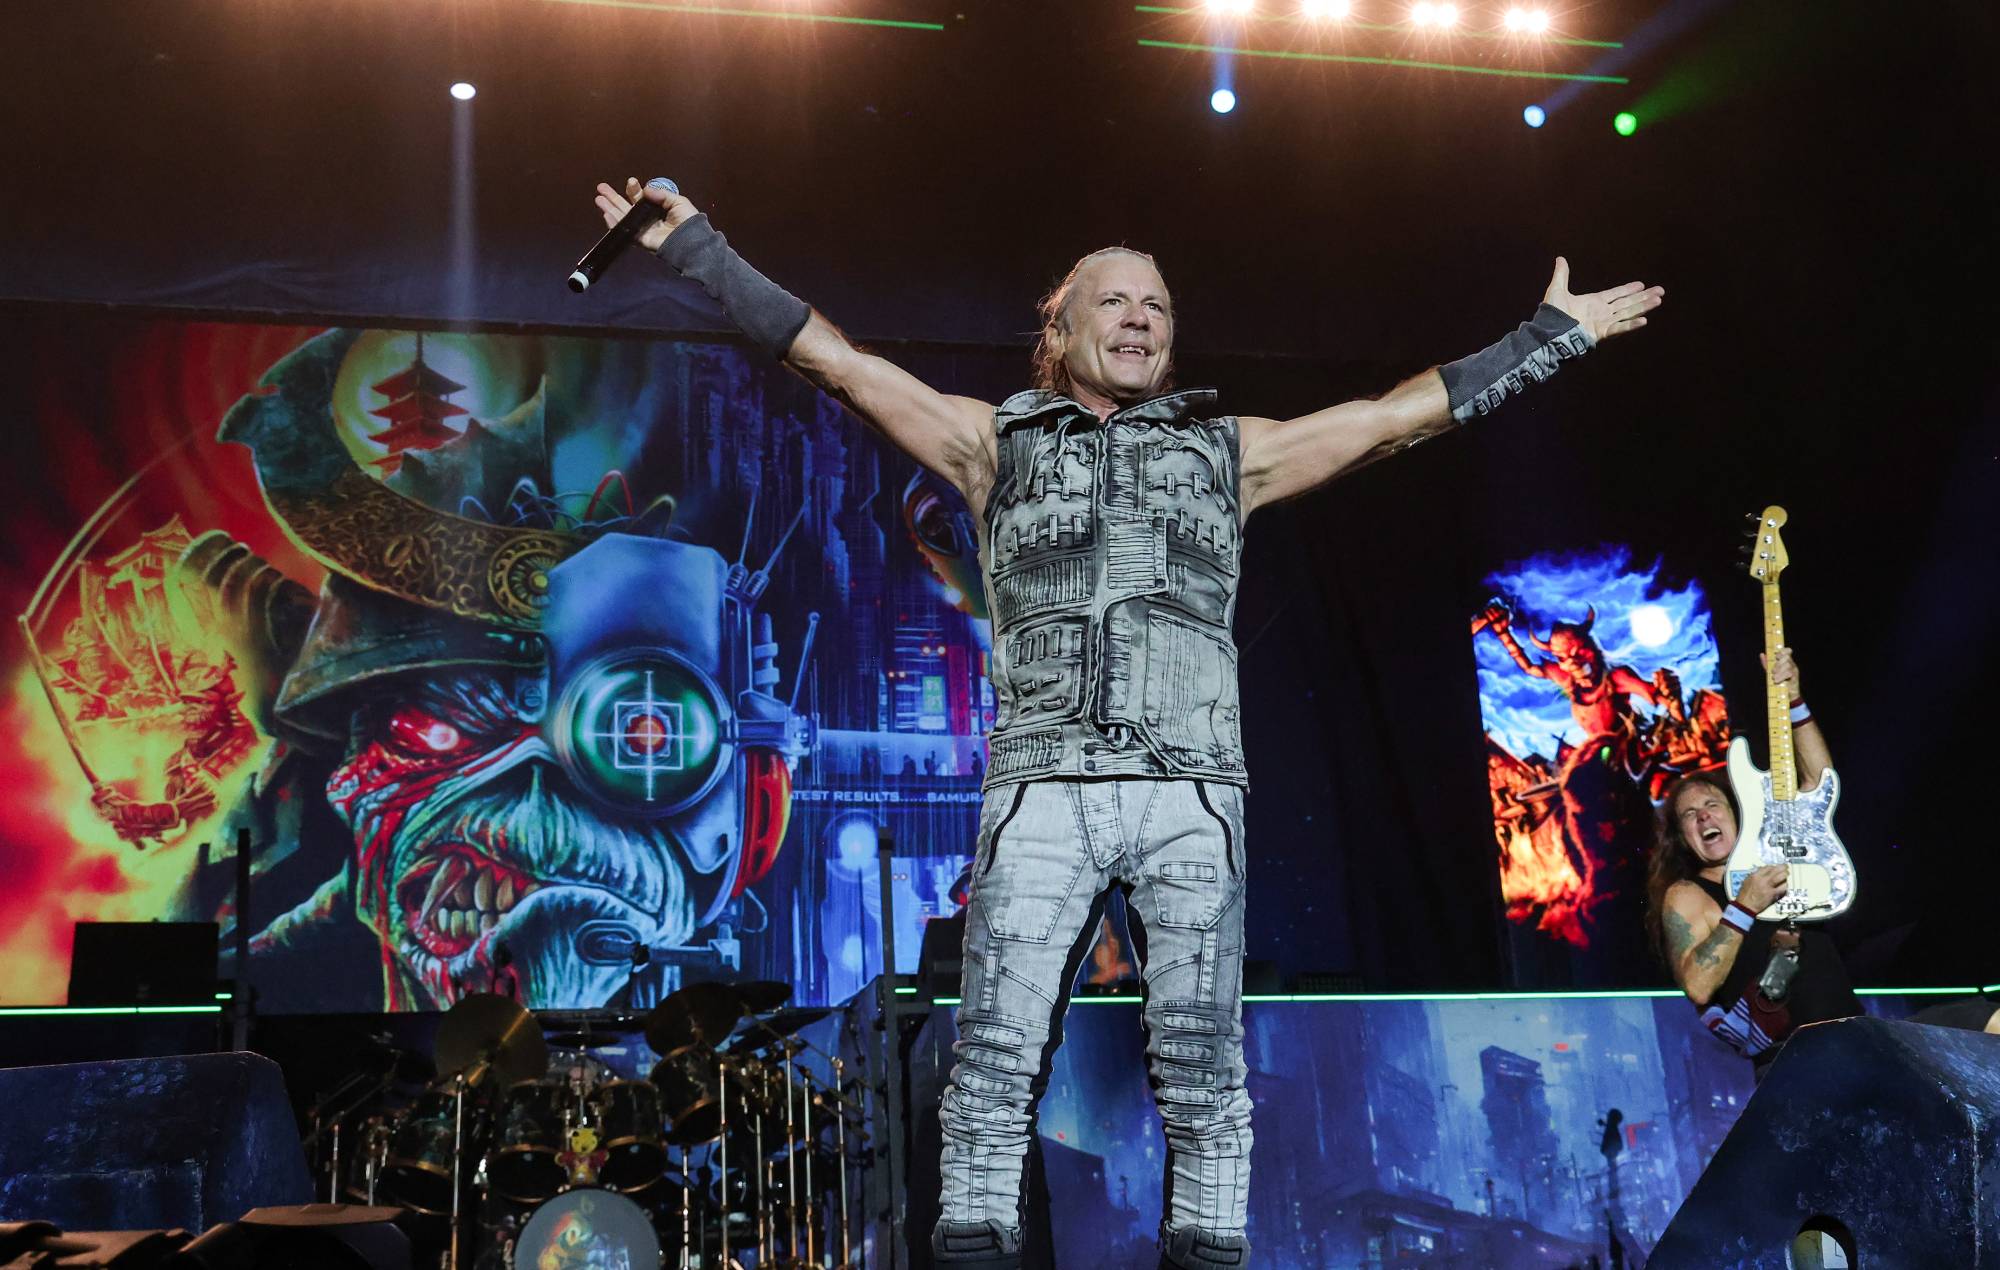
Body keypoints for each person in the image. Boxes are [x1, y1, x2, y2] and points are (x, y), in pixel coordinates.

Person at [593, 176, 1664, 1269]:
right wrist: (698, 249)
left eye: (1155, 304)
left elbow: (1393, 422)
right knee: (995, 1062)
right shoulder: (992, 443)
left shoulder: (1226, 450)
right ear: (1056, 332)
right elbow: (836, 361)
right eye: (1113, 301)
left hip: (1189, 791)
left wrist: (1547, 338)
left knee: (1202, 1065)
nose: (1141, 317)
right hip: (1041, 788)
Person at [1647, 647, 1998, 1077]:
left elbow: (1819, 785)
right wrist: (1744, 906)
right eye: (1689, 815)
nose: (1703, 816)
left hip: (1861, 1041)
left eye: (1712, 805)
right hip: (1798, 1070)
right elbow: (1699, 986)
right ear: (1683, 838)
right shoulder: (1688, 895)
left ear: (1738, 812)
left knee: (1988, 1020)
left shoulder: (1787, 865)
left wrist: (1794, 700)